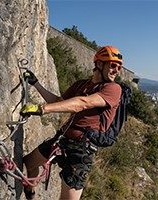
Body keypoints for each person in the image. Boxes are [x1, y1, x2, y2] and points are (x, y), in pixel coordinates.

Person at [19, 46, 124, 200]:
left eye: (119, 67)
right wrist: (36, 84)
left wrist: (42, 109)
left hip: (81, 150)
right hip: (62, 140)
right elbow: (58, 102)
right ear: (100, 64)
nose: (117, 70)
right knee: (28, 163)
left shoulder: (113, 89)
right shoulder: (81, 85)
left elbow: (83, 103)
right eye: (113, 65)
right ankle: (30, 194)